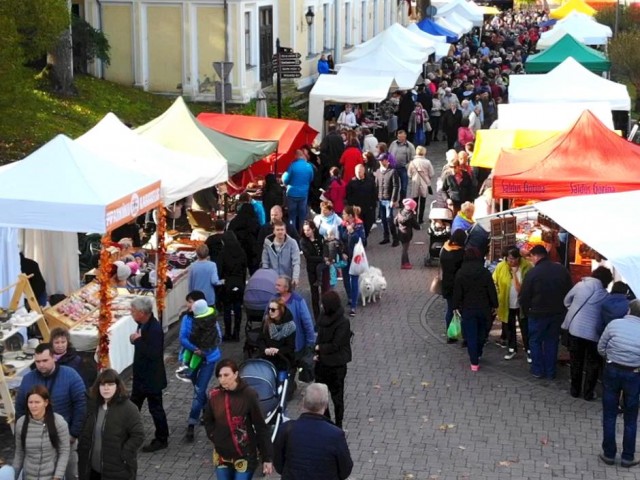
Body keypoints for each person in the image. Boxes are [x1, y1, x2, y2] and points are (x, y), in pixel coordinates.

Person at [15, 343, 86, 480]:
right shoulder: (28, 379)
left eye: (45, 360)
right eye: (37, 361)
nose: (41, 365)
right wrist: (24, 432)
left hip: (65, 437)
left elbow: (81, 405)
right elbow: (20, 408)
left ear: (54, 358)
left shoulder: (70, 375)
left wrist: (74, 433)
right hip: (36, 438)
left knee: (71, 473)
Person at [203, 359, 274, 479]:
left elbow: (260, 426)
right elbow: (208, 420)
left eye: (226, 375)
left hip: (244, 454)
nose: (222, 379)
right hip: (222, 453)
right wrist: (214, 436)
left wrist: (267, 458)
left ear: (236, 374)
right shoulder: (214, 395)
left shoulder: (249, 395)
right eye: (219, 376)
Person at [273, 383, 353, 480]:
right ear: (326, 405)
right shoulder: (335, 434)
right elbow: (345, 470)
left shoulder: (286, 429)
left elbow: (278, 463)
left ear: (303, 402)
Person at [77, 369, 145, 480]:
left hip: (116, 470)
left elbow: (138, 435)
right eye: (102, 384)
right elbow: (83, 428)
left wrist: (124, 453)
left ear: (117, 386)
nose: (106, 388)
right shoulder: (91, 405)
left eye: (110, 384)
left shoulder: (129, 408)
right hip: (90, 470)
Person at [519, 245, 573, 380]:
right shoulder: (561, 270)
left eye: (531, 257)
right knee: (552, 341)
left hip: (537, 314)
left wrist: (526, 312)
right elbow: (569, 292)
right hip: (557, 313)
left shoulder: (532, 273)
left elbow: (524, 296)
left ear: (535, 256)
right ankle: (550, 371)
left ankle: (538, 370)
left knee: (535, 341)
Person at [597, 300, 640, 468]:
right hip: (634, 374)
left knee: (609, 413)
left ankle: (608, 454)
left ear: (629, 310)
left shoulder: (615, 324)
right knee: (631, 416)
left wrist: (611, 357)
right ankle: (627, 457)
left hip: (612, 370)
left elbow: (601, 347)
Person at [176, 293, 222, 442]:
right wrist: (196, 348)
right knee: (198, 388)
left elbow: (218, 337)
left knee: (199, 390)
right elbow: (182, 338)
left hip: (208, 359)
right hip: (195, 357)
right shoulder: (187, 318)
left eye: (190, 302)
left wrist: (202, 350)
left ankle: (191, 423)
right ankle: (208, 411)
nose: (188, 305)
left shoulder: (210, 318)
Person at [563, 267, 613, 400]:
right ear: (607, 281)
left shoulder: (580, 286)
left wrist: (572, 308)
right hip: (594, 334)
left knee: (576, 361)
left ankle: (574, 390)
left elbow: (566, 300)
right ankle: (588, 393)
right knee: (593, 363)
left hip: (576, 329)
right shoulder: (605, 296)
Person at [129, 296, 169, 452]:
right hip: (141, 378)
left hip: (151, 379)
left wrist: (137, 341)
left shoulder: (154, 329)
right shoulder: (142, 323)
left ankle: (162, 438)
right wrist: (134, 339)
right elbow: (138, 340)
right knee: (132, 407)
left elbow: (153, 353)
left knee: (156, 409)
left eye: (133, 311)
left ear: (142, 312)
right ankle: (129, 432)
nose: (131, 313)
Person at [453, 247, 498, 371]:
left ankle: (474, 361)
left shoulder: (461, 273)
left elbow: (457, 292)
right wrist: (495, 305)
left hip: (468, 308)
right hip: (484, 308)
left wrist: (455, 306)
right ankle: (478, 351)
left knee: (471, 334)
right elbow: (491, 290)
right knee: (482, 333)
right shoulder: (484, 272)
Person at [13, 385, 70, 480]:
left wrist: (57, 476)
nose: (33, 406)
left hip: (51, 476)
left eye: (37, 402)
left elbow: (64, 451)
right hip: (28, 476)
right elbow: (19, 452)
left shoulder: (59, 422)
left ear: (46, 402)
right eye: (30, 402)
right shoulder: (21, 423)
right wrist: (13, 475)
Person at [313, 291, 352, 429]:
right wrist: (316, 351)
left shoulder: (343, 323)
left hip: (336, 366)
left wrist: (319, 348)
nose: (322, 306)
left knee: (337, 397)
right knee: (322, 397)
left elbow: (336, 345)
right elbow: (319, 335)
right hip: (322, 364)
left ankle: (338, 423)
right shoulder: (323, 317)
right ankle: (327, 420)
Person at [492, 247, 533, 361]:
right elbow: (494, 281)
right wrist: (498, 294)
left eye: (514, 259)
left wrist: (514, 274)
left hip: (522, 304)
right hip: (506, 303)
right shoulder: (501, 267)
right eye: (509, 259)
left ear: (519, 258)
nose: (511, 262)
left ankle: (528, 349)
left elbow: (525, 287)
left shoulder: (527, 267)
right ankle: (512, 348)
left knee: (525, 327)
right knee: (509, 327)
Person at [273, 276, 316, 357]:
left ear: (286, 288)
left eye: (278, 285)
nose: (276, 287)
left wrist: (310, 342)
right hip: (277, 345)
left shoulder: (298, 301)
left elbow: (307, 322)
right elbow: (266, 318)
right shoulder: (273, 298)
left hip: (295, 345)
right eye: (276, 285)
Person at [218, 232, 248, 341]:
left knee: (227, 309)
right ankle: (236, 333)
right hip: (239, 283)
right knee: (237, 309)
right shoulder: (241, 252)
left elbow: (220, 270)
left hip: (228, 284)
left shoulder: (223, 253)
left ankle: (227, 333)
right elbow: (245, 269)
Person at [440, 230, 467, 342]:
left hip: (446, 284)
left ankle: (450, 335)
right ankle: (465, 336)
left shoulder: (444, 249)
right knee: (463, 310)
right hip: (458, 286)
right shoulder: (460, 253)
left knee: (450, 310)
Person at [338, 206, 366, 317]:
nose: (342, 216)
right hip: (345, 256)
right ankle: (350, 297)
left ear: (350, 215)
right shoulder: (342, 225)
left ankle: (353, 306)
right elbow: (340, 241)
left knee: (354, 280)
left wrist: (353, 232)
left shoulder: (359, 225)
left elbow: (362, 240)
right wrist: (342, 253)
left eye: (344, 214)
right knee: (345, 279)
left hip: (355, 257)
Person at [258, 298, 296, 373]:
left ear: (280, 310)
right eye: (269, 309)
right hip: (267, 357)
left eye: (273, 309)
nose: (270, 312)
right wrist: (265, 349)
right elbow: (260, 339)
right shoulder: (266, 321)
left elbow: (290, 347)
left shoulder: (290, 326)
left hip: (283, 359)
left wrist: (278, 351)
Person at [300, 221, 328, 320]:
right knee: (314, 293)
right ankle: (317, 318)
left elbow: (325, 249)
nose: (306, 232)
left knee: (325, 291)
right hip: (312, 270)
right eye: (305, 230)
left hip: (323, 268)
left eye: (308, 230)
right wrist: (322, 259)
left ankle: (327, 313)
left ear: (313, 229)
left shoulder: (320, 238)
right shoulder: (303, 241)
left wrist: (325, 258)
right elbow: (308, 257)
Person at [282, 149, 314, 233]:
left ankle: (292, 234)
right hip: (303, 194)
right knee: (302, 216)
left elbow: (285, 180)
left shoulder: (292, 165)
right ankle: (301, 234)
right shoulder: (309, 166)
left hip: (292, 194)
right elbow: (311, 178)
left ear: (296, 156)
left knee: (292, 216)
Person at [261, 220, 301, 287]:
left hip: (287, 279)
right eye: (278, 230)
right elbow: (265, 262)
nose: (280, 232)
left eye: (282, 229)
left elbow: (296, 262)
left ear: (285, 231)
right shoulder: (267, 243)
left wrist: (295, 277)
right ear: (274, 231)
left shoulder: (292, 243)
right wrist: (266, 277)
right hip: (273, 279)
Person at [374, 154, 400, 247]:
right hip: (381, 199)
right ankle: (386, 237)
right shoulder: (378, 171)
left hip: (389, 199)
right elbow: (376, 185)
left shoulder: (393, 172)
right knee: (383, 220)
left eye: (382, 160)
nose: (380, 162)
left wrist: (394, 199)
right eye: (379, 160)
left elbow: (396, 186)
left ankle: (395, 238)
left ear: (386, 160)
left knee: (389, 219)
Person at [228, 201, 260, 274]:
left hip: (237, 248)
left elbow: (229, 233)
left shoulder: (234, 221)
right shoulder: (254, 221)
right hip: (251, 249)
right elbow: (258, 234)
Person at [346, 164, 377, 239]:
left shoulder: (370, 181)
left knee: (368, 225)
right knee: (359, 225)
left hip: (368, 207)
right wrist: (352, 207)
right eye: (356, 172)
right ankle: (361, 240)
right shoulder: (352, 182)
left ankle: (365, 236)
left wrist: (373, 205)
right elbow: (348, 196)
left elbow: (374, 193)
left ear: (363, 171)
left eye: (359, 172)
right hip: (357, 209)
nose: (358, 174)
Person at [407, 146, 435, 224]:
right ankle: (420, 219)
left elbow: (409, 174)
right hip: (424, 184)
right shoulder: (427, 162)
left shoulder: (412, 162)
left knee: (414, 202)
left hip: (415, 183)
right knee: (422, 202)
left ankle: (414, 218)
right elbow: (432, 173)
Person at [388, 130, 416, 200]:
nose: (399, 138)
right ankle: (393, 199)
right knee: (393, 185)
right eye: (398, 136)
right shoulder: (393, 143)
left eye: (401, 137)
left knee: (404, 187)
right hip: (393, 168)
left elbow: (413, 158)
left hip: (403, 168)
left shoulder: (410, 146)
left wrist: (407, 166)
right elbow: (389, 153)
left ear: (405, 136)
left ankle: (402, 201)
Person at [394, 198, 420, 269]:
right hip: (407, 234)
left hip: (400, 232)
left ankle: (407, 261)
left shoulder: (400, 212)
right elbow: (416, 226)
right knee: (405, 250)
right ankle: (404, 264)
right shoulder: (410, 216)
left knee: (404, 248)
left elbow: (395, 222)